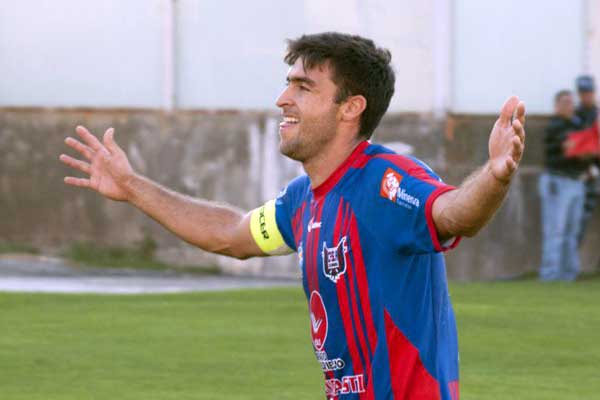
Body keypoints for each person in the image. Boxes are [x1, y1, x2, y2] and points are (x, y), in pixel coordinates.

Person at [60, 33, 526, 400]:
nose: (283, 98)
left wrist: (495, 175)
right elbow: (230, 234)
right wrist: (131, 187)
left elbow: (452, 213)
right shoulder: (302, 201)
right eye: (288, 84)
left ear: (350, 108)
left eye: (303, 87)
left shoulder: (383, 180)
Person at [539, 90, 588, 281]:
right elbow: (570, 148)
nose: (569, 106)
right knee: (556, 231)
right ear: (557, 106)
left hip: (577, 181)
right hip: (558, 182)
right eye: (565, 102)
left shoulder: (577, 124)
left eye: (571, 102)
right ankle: (550, 275)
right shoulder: (555, 126)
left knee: (571, 232)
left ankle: (568, 276)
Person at [574, 75, 599, 246]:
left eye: (589, 92)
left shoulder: (597, 114)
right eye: (583, 93)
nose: (586, 96)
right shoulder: (575, 116)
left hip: (595, 170)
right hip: (582, 174)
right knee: (578, 221)